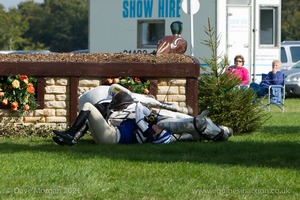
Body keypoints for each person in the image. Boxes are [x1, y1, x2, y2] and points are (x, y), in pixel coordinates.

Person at [52, 84, 233, 146]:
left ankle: (72, 135)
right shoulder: (149, 128)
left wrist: (152, 118)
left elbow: (142, 114)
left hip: (110, 138)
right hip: (107, 136)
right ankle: (73, 135)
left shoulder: (145, 126)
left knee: (90, 107)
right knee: (92, 110)